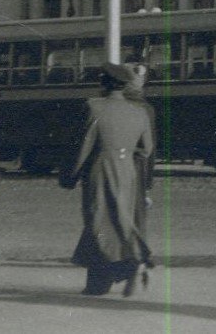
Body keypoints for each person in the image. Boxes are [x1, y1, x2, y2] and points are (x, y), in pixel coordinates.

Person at [59, 63, 152, 297]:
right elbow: (146, 149)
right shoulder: (139, 111)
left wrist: (70, 176)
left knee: (98, 222)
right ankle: (125, 266)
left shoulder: (94, 107)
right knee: (119, 220)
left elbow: (84, 146)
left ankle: (108, 278)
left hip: (100, 170)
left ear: (104, 83)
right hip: (127, 172)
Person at [122, 65, 157, 268]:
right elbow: (149, 148)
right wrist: (148, 180)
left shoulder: (105, 105)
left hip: (114, 168)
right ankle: (140, 253)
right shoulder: (146, 109)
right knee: (137, 215)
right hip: (138, 168)